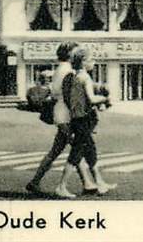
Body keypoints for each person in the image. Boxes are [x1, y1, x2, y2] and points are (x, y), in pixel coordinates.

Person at [27, 42, 93, 199]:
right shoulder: (68, 71)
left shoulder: (60, 69)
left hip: (60, 113)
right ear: (70, 54)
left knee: (58, 149)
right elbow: (70, 94)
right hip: (66, 114)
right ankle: (76, 184)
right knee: (76, 147)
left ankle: (36, 181)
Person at [60, 47, 113, 195]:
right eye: (91, 59)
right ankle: (61, 186)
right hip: (84, 120)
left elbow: (70, 100)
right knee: (76, 154)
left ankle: (99, 183)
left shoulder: (73, 77)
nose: (94, 62)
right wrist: (104, 98)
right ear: (83, 62)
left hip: (77, 119)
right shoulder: (85, 78)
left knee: (90, 151)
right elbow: (91, 98)